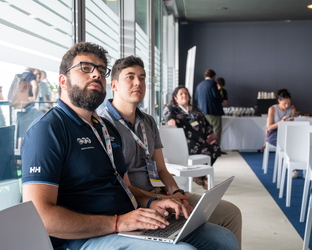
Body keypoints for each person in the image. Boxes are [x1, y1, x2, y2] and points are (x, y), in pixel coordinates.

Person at [21, 43, 239, 250]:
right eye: (85, 68)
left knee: (223, 239)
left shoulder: (104, 128)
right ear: (63, 80)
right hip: (87, 239)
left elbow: (126, 187)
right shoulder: (47, 130)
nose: (96, 74)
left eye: (100, 70)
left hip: (129, 221)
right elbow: (40, 216)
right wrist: (117, 223)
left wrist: (152, 201)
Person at [100, 56, 241, 248]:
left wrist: (176, 192)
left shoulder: (148, 121)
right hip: (140, 202)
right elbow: (121, 186)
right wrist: (162, 199)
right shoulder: (103, 125)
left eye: (142, 78)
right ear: (114, 85)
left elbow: (161, 169)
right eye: (130, 77)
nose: (138, 83)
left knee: (231, 213)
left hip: (162, 193)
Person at [163, 86, 221, 188]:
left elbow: (206, 123)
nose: (184, 95)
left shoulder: (195, 108)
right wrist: (170, 119)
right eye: (181, 94)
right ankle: (200, 177)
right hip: (187, 142)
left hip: (202, 139)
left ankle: (200, 176)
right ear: (175, 97)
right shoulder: (172, 108)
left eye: (186, 93)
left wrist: (210, 135)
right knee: (194, 148)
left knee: (216, 149)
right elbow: (168, 115)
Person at [265, 88, 296, 177]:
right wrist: (281, 123)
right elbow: (269, 127)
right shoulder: (272, 109)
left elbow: (292, 125)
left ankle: (291, 164)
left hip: (287, 133)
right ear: (279, 101)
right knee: (290, 143)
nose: (287, 106)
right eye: (284, 103)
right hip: (274, 134)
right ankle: (291, 165)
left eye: (288, 103)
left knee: (295, 140)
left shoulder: (291, 109)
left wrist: (292, 115)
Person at [194, 69, 224, 146]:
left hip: (202, 111)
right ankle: (216, 148)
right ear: (213, 76)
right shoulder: (213, 84)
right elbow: (216, 96)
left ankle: (206, 147)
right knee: (216, 129)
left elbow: (196, 98)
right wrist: (221, 97)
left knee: (205, 130)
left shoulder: (199, 85)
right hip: (213, 111)